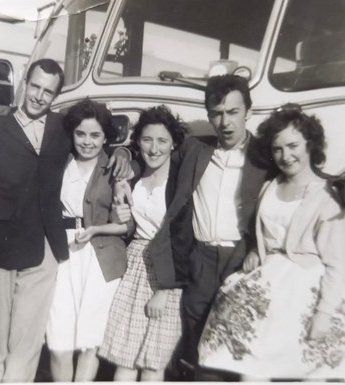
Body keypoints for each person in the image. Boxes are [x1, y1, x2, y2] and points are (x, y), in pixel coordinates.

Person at [0, 58, 131, 383]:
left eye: (48, 92)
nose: (39, 96)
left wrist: (124, 155)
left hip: (45, 247)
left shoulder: (62, 128)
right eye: (35, 86)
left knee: (28, 338)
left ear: (56, 95)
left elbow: (98, 141)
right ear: (25, 82)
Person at [198, 105, 345, 380]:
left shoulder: (327, 196)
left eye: (293, 146)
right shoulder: (272, 186)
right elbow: (269, 232)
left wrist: (324, 314)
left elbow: (338, 264)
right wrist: (256, 249)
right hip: (268, 287)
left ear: (310, 145)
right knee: (251, 371)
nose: (286, 156)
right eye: (278, 149)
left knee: (307, 373)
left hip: (303, 294)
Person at [165, 75, 276, 377]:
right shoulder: (194, 149)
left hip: (241, 260)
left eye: (233, 112)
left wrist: (255, 248)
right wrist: (124, 154)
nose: (225, 122)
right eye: (216, 113)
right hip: (199, 258)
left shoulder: (266, 157)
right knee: (196, 345)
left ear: (248, 112)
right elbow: (152, 153)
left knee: (236, 346)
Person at [98, 106, 188, 381]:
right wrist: (121, 215)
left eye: (162, 140)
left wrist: (165, 289)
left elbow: (184, 237)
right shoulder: (134, 176)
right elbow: (129, 225)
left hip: (167, 272)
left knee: (153, 361)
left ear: (173, 143)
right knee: (124, 356)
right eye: (147, 139)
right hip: (135, 265)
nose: (154, 148)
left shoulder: (180, 180)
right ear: (137, 142)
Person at [45, 99, 131, 382]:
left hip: (100, 258)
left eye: (95, 135)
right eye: (81, 134)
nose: (87, 142)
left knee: (90, 340)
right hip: (62, 252)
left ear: (105, 137)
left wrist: (124, 154)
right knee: (58, 341)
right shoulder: (61, 163)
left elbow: (139, 166)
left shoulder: (116, 168)